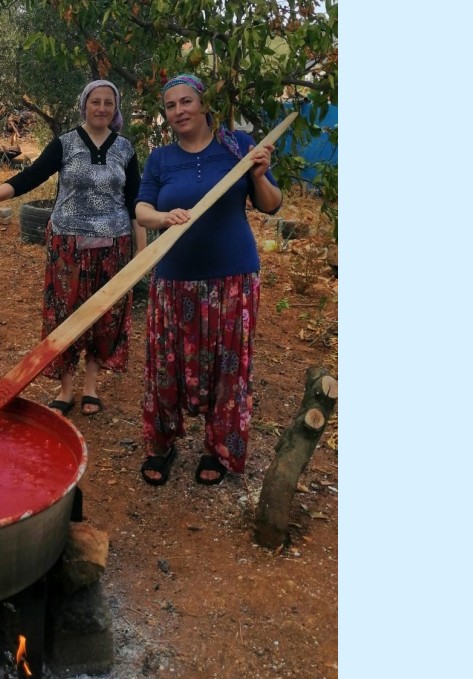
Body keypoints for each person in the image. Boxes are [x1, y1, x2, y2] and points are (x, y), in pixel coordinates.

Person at [0, 79, 145, 417]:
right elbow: (30, 178)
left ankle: (91, 386)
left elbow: (136, 202)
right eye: (96, 102)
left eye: (109, 103)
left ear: (115, 109)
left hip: (114, 246)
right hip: (68, 245)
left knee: (106, 315)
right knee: (65, 313)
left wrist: (141, 254)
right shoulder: (65, 144)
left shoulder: (126, 149)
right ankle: (66, 388)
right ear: (84, 105)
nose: (102, 108)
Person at [134, 74, 282, 486]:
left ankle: (217, 450)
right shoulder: (160, 158)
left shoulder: (237, 147)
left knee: (228, 369)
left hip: (233, 279)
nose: (179, 111)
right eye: (170, 105)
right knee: (166, 366)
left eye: (186, 102)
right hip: (173, 279)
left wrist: (258, 175)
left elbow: (272, 204)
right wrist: (163, 218)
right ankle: (161, 444)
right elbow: (142, 208)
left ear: (202, 105)